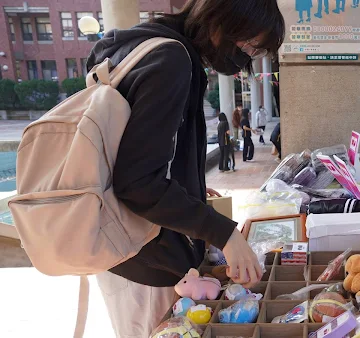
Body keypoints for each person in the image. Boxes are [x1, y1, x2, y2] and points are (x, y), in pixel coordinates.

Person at [85, 0, 284, 336]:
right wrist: (225, 233)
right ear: (224, 21)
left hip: (129, 251)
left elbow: (139, 153)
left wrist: (187, 186)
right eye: (249, 44)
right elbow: (137, 183)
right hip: (145, 260)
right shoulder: (171, 61)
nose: (247, 58)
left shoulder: (145, 47)